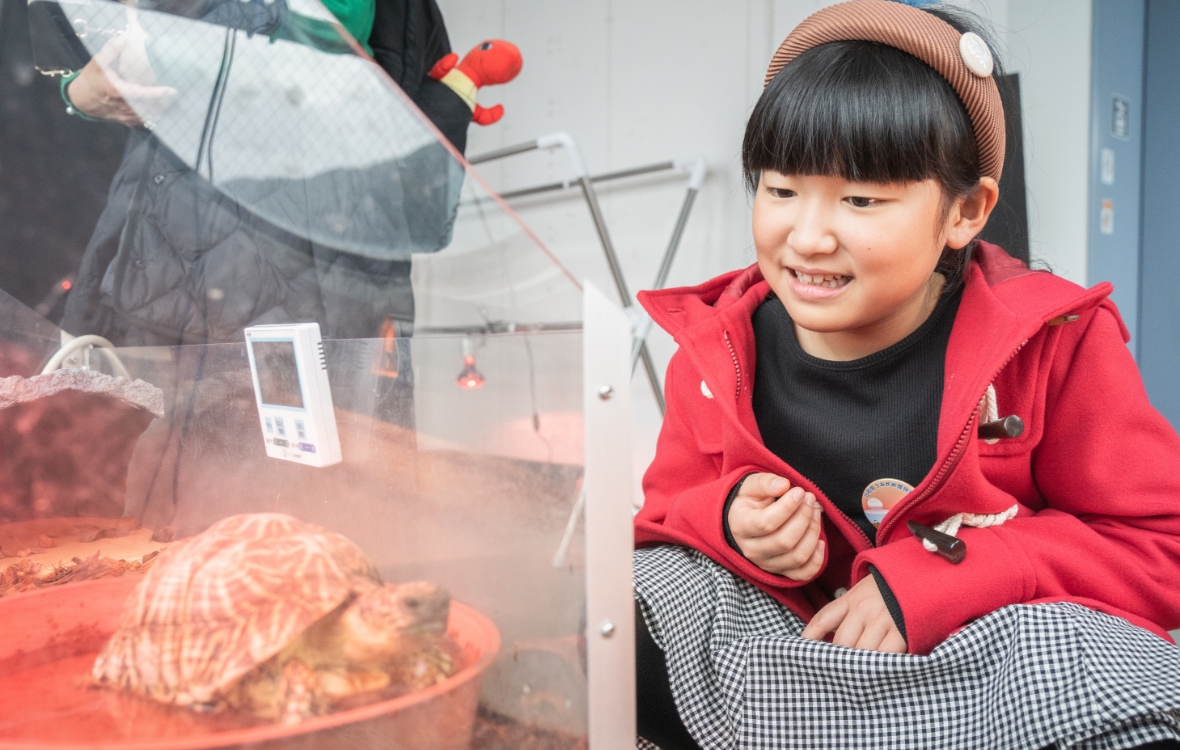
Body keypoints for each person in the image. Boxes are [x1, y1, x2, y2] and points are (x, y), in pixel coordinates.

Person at [631, 2, 1180, 749]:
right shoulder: (714, 349)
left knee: (1127, 680)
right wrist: (728, 520)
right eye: (781, 189)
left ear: (965, 212)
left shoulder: (1057, 341)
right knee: (631, 610)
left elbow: (1158, 546)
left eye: (862, 199)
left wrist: (944, 577)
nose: (808, 236)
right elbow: (664, 519)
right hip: (794, 661)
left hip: (979, 663)